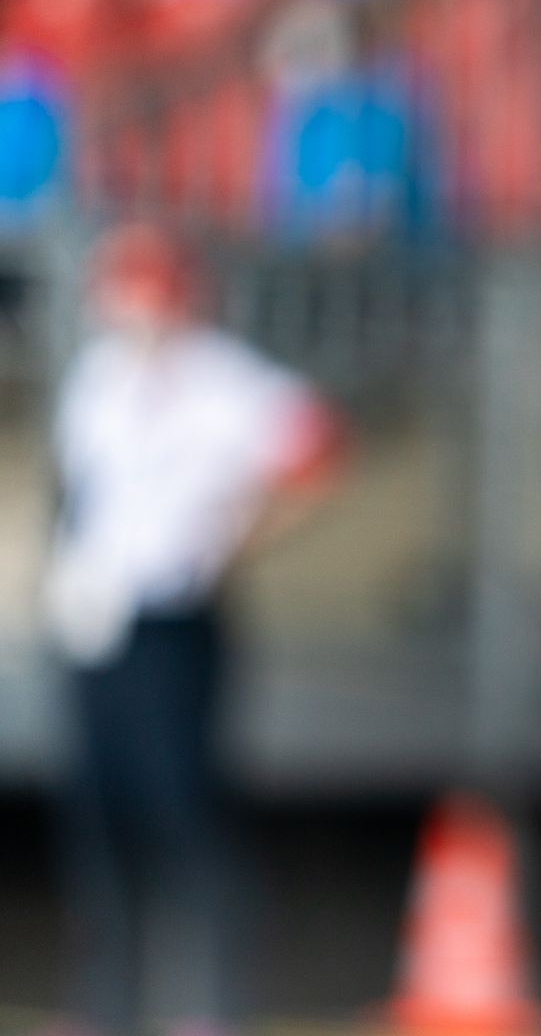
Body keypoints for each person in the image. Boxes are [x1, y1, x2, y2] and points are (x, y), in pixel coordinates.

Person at [41, 222, 341, 1036]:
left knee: (184, 813)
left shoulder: (224, 383)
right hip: (98, 619)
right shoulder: (98, 376)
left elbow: (315, 452)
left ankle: (210, 1004)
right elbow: (80, 487)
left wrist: (232, 541)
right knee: (98, 821)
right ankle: (106, 1007)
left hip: (177, 621)